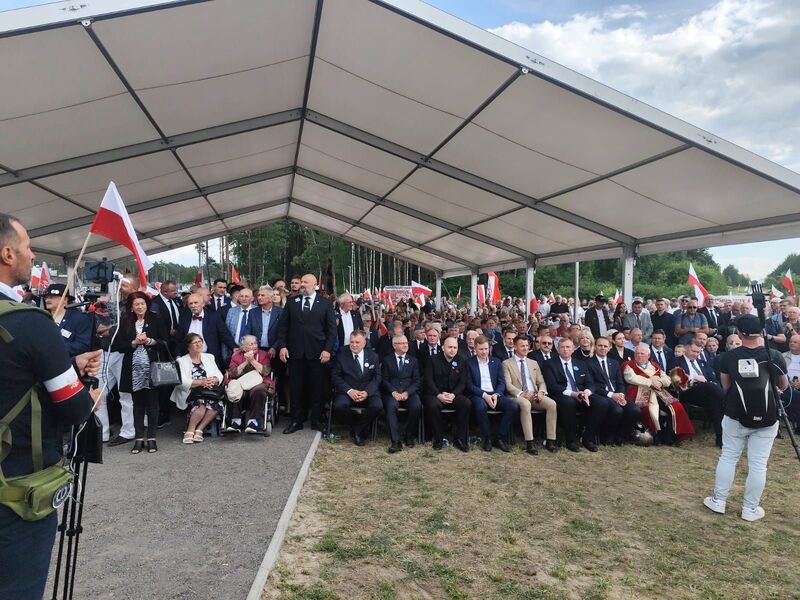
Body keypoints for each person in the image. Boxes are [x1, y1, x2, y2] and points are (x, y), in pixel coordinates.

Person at [0, 213, 102, 599]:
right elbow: (73, 406)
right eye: (26, 246)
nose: (32, 254)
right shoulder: (32, 323)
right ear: (7, 253)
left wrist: (67, 363)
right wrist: (88, 395)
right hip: (16, 494)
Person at [704, 314, 788, 522]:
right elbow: (783, 385)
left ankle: (719, 500)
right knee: (759, 464)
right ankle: (750, 509)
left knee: (729, 457)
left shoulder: (729, 357)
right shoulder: (774, 355)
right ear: (761, 332)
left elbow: (726, 386)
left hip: (735, 414)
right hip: (768, 417)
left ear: (740, 334)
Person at [276, 274, 338, 433]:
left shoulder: (325, 304)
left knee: (316, 388)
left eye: (305, 282)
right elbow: (283, 327)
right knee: (296, 388)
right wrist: (282, 346)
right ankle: (296, 421)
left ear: (315, 285)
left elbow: (332, 331)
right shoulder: (291, 302)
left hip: (317, 354)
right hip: (295, 354)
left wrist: (327, 350)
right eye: (301, 282)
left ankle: (316, 420)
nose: (302, 285)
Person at [110, 291, 169, 454]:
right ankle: (138, 438)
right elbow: (117, 346)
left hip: (152, 368)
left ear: (147, 304)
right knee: (137, 405)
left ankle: (151, 438)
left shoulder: (156, 318)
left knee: (152, 404)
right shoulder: (125, 321)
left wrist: (150, 341)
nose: (140, 307)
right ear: (131, 307)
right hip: (133, 369)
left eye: (142, 303)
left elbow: (165, 343)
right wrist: (134, 342)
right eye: (136, 304)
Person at [542, 338, 609, 452]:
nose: (565, 349)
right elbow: (551, 385)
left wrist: (586, 393)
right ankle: (571, 440)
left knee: (602, 403)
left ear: (573, 349)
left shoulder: (581, 364)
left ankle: (588, 438)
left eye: (568, 347)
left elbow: (590, 383)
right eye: (562, 347)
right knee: (569, 403)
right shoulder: (549, 364)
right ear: (558, 349)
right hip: (562, 394)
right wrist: (573, 394)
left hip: (581, 393)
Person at [622, 344, 693, 444]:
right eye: (637, 353)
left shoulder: (654, 365)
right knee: (650, 410)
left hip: (659, 392)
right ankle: (655, 436)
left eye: (642, 354)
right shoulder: (629, 365)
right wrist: (650, 381)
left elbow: (667, 379)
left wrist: (659, 382)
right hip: (639, 392)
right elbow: (631, 378)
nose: (639, 356)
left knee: (676, 406)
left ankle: (672, 436)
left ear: (648, 355)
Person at [502, 336, 558, 454]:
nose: (525, 348)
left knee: (552, 404)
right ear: (515, 347)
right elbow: (507, 384)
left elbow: (541, 381)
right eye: (522, 346)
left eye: (527, 346)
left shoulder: (533, 363)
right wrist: (522, 393)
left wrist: (542, 392)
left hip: (534, 395)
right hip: (517, 396)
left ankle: (550, 440)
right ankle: (530, 442)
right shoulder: (507, 363)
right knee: (525, 404)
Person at [467, 336, 518, 452]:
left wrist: (496, 394)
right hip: (478, 394)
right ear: (475, 349)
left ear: (489, 348)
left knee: (513, 406)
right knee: (481, 407)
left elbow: (501, 382)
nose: (484, 352)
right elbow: (469, 385)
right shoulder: (469, 363)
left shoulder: (496, 362)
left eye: (486, 349)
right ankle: (487, 438)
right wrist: (485, 395)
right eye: (481, 349)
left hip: (495, 394)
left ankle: (500, 437)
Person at [171, 333, 225, 444]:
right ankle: (190, 430)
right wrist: (201, 382)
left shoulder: (209, 357)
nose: (198, 344)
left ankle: (199, 429)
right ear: (188, 346)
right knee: (201, 404)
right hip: (191, 392)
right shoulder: (181, 361)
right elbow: (181, 382)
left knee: (216, 404)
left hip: (209, 390)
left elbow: (219, 374)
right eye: (195, 342)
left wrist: (213, 380)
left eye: (200, 341)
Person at [331, 330, 382, 446]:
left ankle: (356, 430)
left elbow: (377, 377)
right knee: (339, 406)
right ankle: (358, 426)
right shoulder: (342, 356)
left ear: (364, 343)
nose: (354, 345)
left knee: (378, 406)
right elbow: (336, 376)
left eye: (357, 342)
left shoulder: (373, 356)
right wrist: (350, 391)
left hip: (367, 391)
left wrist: (367, 392)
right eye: (352, 342)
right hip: (347, 391)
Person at [589, 336, 641, 445]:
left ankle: (621, 436)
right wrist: (612, 395)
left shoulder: (614, 363)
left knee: (635, 410)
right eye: (600, 346)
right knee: (617, 410)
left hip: (617, 394)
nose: (602, 348)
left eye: (605, 346)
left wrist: (621, 394)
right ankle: (607, 436)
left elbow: (620, 382)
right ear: (594, 347)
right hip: (602, 395)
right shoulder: (588, 363)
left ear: (609, 348)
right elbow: (592, 385)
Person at [423, 336, 471, 451]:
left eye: (455, 347)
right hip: (435, 394)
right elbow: (428, 380)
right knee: (433, 406)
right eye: (450, 347)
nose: (452, 350)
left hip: (453, 394)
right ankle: (438, 438)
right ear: (443, 348)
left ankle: (460, 439)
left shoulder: (461, 360)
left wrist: (453, 395)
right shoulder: (432, 360)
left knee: (466, 403)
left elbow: (462, 382)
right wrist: (438, 395)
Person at [380, 334, 422, 452]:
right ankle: (396, 441)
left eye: (406, 343)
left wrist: (407, 393)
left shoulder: (413, 361)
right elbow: (384, 379)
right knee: (391, 406)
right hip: (392, 393)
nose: (405, 345)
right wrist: (393, 392)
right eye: (402, 343)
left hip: (409, 393)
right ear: (394, 345)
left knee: (417, 406)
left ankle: (408, 435)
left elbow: (417, 381)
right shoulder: (387, 360)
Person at [225, 335, 274, 435]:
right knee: (234, 390)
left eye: (255, 343)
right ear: (244, 347)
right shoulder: (236, 356)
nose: (255, 346)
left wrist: (252, 361)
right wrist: (245, 362)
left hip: (260, 382)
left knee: (258, 390)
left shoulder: (264, 354)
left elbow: (265, 372)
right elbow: (233, 373)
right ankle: (235, 421)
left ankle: (254, 422)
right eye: (251, 344)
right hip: (241, 383)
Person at [42, 283, 93, 356]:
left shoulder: (78, 319)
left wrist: (57, 348)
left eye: (52, 297)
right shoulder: (43, 317)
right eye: (46, 297)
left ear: (65, 300)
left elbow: (83, 345)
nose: (47, 300)